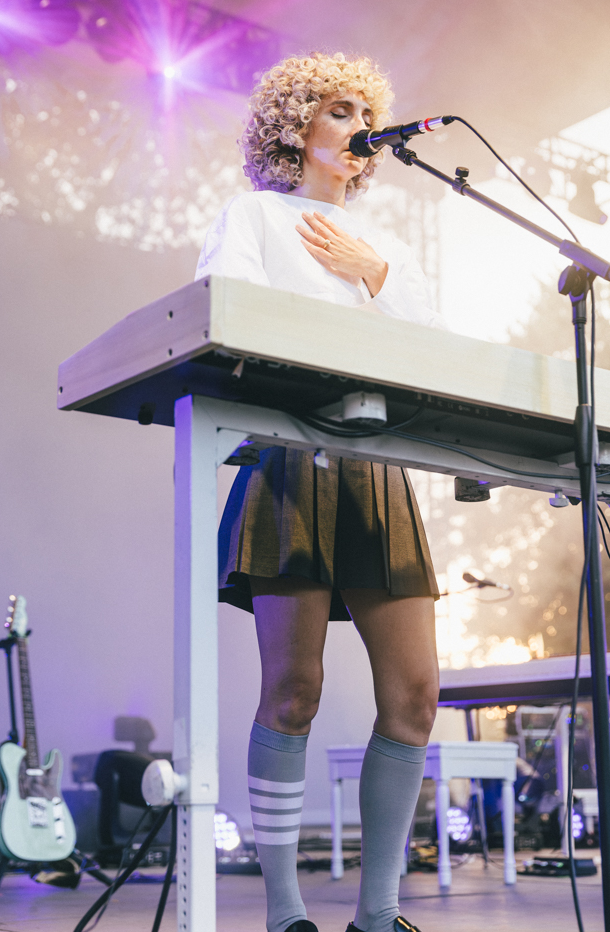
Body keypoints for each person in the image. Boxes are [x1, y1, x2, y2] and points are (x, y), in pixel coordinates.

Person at [196, 52, 446, 932]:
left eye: (361, 112)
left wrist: (373, 275)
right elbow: (222, 314)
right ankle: (284, 913)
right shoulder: (255, 215)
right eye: (335, 110)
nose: (355, 127)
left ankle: (378, 916)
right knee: (292, 690)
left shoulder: (389, 249)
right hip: (289, 460)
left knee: (415, 695)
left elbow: (437, 352)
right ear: (295, 126)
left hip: (379, 471)